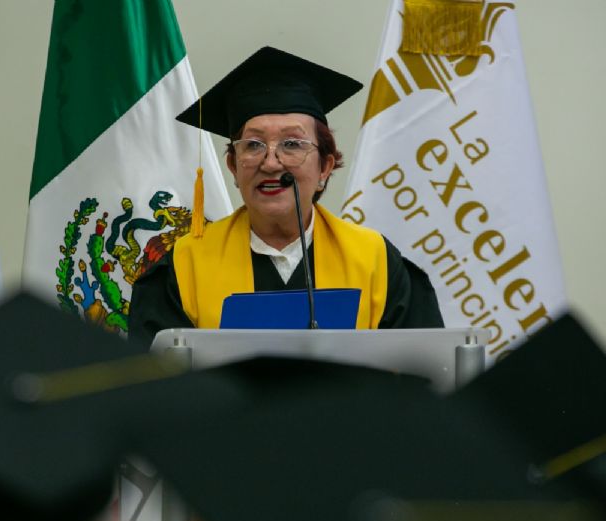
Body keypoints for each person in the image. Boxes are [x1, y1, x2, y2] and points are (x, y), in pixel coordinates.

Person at [128, 46, 444, 350]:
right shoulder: (185, 266)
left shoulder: (375, 261)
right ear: (233, 167)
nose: (271, 162)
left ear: (325, 166)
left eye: (292, 144)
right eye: (253, 145)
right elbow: (155, 389)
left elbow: (418, 381)